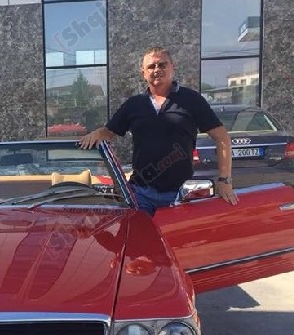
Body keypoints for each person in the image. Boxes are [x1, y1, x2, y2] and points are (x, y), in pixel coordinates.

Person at [79, 46, 238, 216]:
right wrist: (95, 134)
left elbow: (222, 138)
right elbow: (109, 132)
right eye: (151, 66)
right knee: (139, 233)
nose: (157, 70)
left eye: (162, 65)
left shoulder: (192, 100)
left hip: (180, 195)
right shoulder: (134, 105)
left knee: (177, 235)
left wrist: (225, 180)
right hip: (140, 195)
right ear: (143, 73)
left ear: (172, 67)